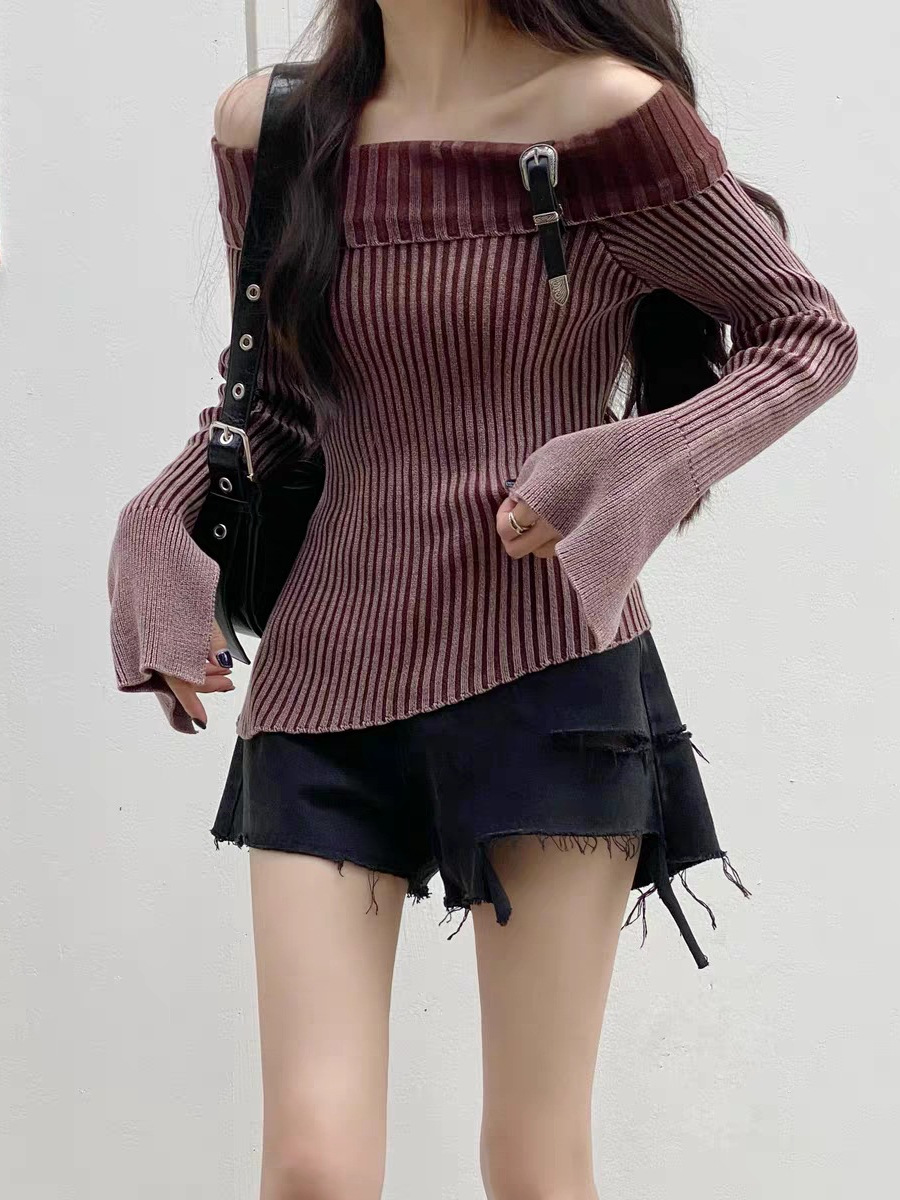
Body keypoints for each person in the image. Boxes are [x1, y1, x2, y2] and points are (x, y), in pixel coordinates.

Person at [106, 2, 858, 1197]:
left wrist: (632, 461)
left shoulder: (604, 113)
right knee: (310, 1165)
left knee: (533, 1166)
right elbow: (280, 406)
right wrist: (159, 520)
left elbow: (805, 332)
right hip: (322, 684)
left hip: (549, 676)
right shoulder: (273, 131)